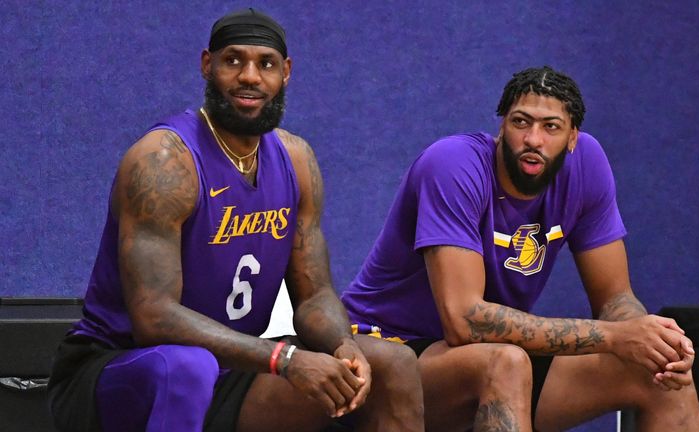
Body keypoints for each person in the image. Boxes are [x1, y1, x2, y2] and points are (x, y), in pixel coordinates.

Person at [47, 8, 424, 432]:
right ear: (208, 65)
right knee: (188, 367)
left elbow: (315, 294)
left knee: (390, 361)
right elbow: (154, 318)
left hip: (237, 368)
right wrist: (284, 359)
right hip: (120, 369)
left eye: (265, 64)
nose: (249, 76)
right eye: (233, 61)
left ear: (286, 73)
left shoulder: (296, 160)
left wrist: (343, 345)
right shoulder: (165, 160)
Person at [341, 66, 699, 431]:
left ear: (572, 137)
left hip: (490, 363)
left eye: (551, 127)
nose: (533, 139)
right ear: (502, 126)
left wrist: (646, 339)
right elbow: (464, 321)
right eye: (521, 122)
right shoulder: (453, 166)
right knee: (505, 363)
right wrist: (615, 337)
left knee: (658, 374)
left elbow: (615, 299)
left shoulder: (587, 165)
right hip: (387, 357)